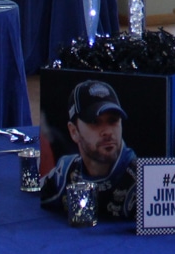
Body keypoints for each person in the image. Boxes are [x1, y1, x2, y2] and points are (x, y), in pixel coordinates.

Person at [40, 79, 138, 220]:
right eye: (95, 122)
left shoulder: (141, 180)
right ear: (74, 131)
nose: (107, 132)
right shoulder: (65, 171)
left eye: (113, 120)